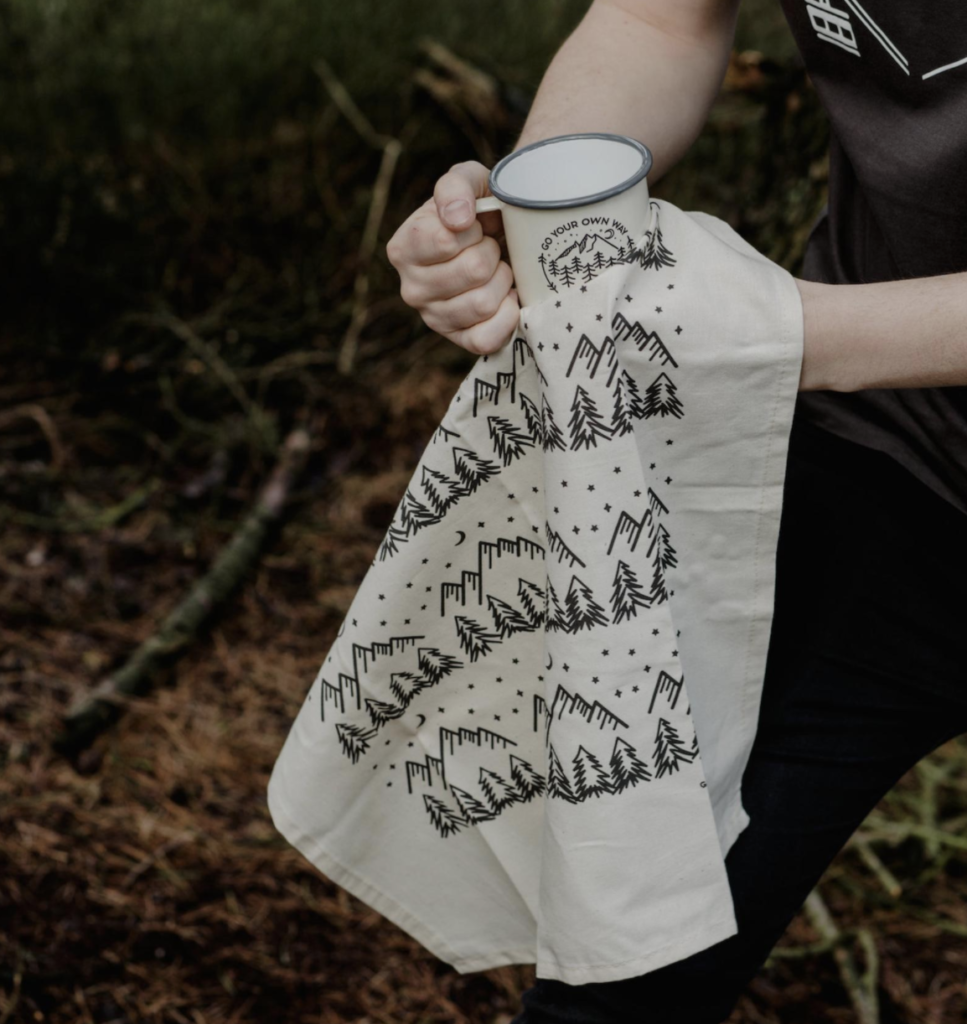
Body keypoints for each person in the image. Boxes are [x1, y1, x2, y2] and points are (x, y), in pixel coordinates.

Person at [385, 1, 967, 1019]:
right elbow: (658, 22)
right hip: (884, 464)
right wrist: (531, 223)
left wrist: (785, 333)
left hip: (834, 365)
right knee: (629, 973)